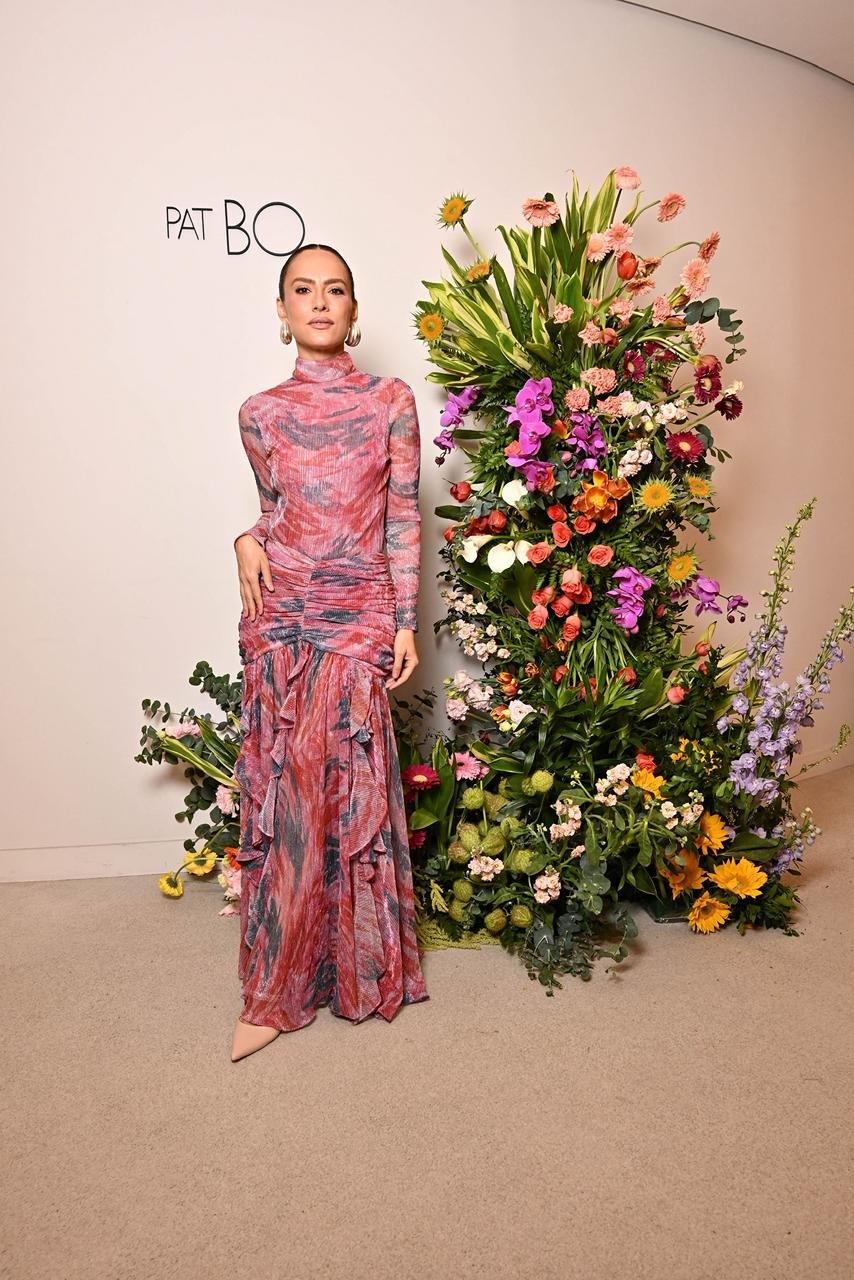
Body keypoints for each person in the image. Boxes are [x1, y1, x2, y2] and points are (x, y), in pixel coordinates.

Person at [230, 243, 430, 1061]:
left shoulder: (391, 400)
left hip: (359, 615)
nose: (319, 302)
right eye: (302, 291)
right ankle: (277, 988)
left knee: (346, 792)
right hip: (281, 614)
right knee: (287, 791)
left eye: (335, 290)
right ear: (281, 312)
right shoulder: (259, 411)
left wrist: (407, 618)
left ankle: (353, 968)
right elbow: (277, 511)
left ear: (355, 309)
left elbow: (405, 517)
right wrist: (242, 537)